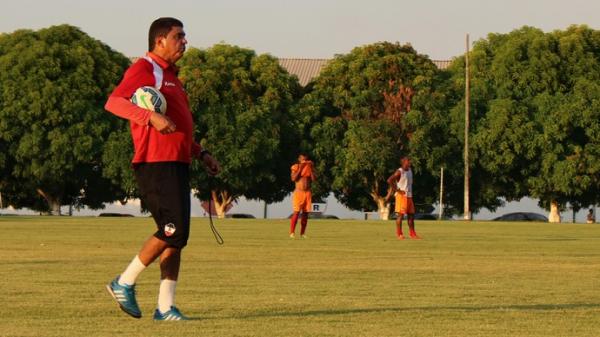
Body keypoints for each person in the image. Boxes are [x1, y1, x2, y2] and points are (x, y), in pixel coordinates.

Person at [104, 17, 220, 321]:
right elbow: (114, 102)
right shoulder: (145, 68)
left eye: (184, 36)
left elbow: (179, 126)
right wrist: (149, 118)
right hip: (156, 163)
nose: (185, 41)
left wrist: (201, 152)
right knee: (173, 230)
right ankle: (124, 282)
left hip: (177, 162)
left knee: (177, 237)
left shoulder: (172, 76)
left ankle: (165, 307)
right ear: (160, 41)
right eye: (178, 36)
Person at [386, 157, 421, 240]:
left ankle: (413, 234)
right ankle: (399, 234)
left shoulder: (410, 170)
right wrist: (397, 190)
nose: (410, 163)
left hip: (409, 196)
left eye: (410, 161)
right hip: (401, 196)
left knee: (411, 216)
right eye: (408, 161)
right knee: (400, 216)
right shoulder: (399, 172)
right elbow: (389, 180)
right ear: (404, 162)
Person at [290, 153, 316, 239]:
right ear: (299, 159)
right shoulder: (296, 167)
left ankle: (302, 233)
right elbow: (294, 178)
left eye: (306, 159)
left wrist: (311, 168)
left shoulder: (309, 168)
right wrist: (301, 167)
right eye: (302, 159)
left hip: (307, 192)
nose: (304, 160)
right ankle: (292, 233)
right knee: (296, 212)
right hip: (298, 192)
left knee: (305, 213)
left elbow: (314, 179)